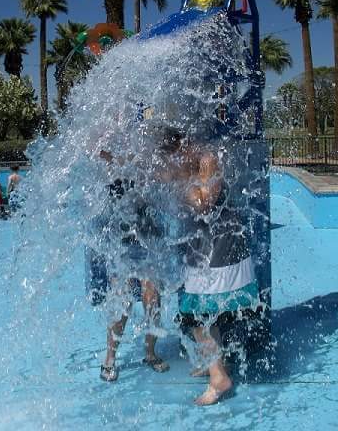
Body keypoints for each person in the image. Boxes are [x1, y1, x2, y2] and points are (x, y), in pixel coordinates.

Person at [157, 127, 259, 406]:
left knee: (196, 315)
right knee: (202, 314)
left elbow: (204, 203)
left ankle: (219, 378)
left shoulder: (207, 160)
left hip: (221, 246)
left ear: (183, 147)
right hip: (203, 246)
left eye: (174, 156)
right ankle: (214, 362)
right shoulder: (188, 164)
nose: (173, 162)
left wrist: (179, 179)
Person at [98, 150, 170, 382]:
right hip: (121, 240)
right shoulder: (111, 155)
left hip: (148, 236)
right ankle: (110, 358)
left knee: (153, 297)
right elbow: (102, 156)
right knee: (122, 300)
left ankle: (150, 353)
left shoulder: (147, 155)